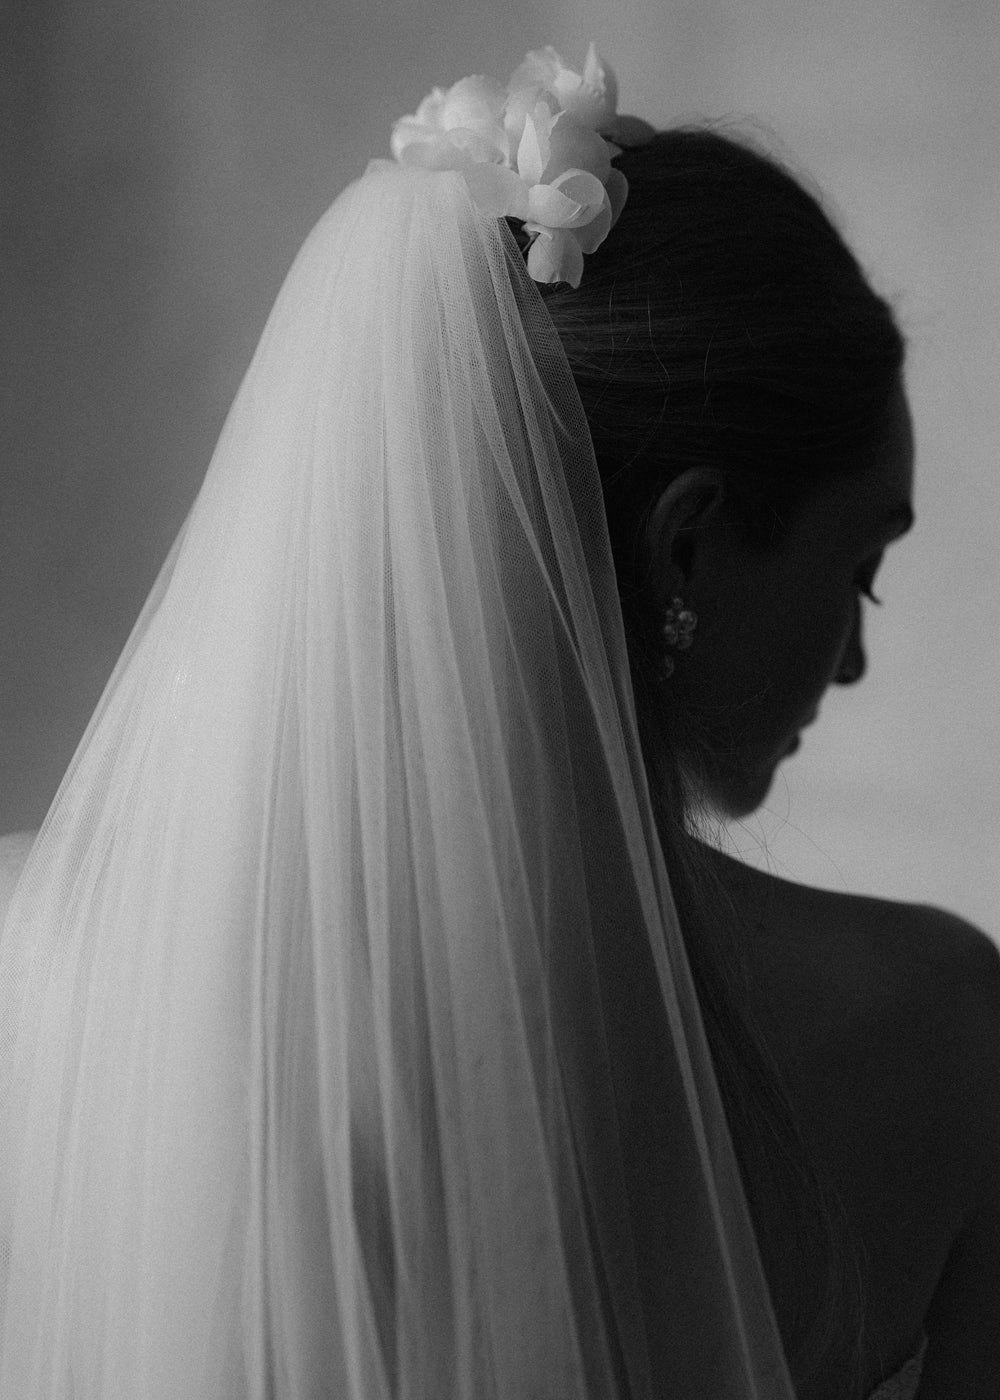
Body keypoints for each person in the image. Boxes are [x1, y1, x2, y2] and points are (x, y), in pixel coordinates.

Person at [0, 45, 997, 1400]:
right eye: (861, 565)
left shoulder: (48, 966)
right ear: (689, 545)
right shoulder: (932, 1031)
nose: (860, 657)